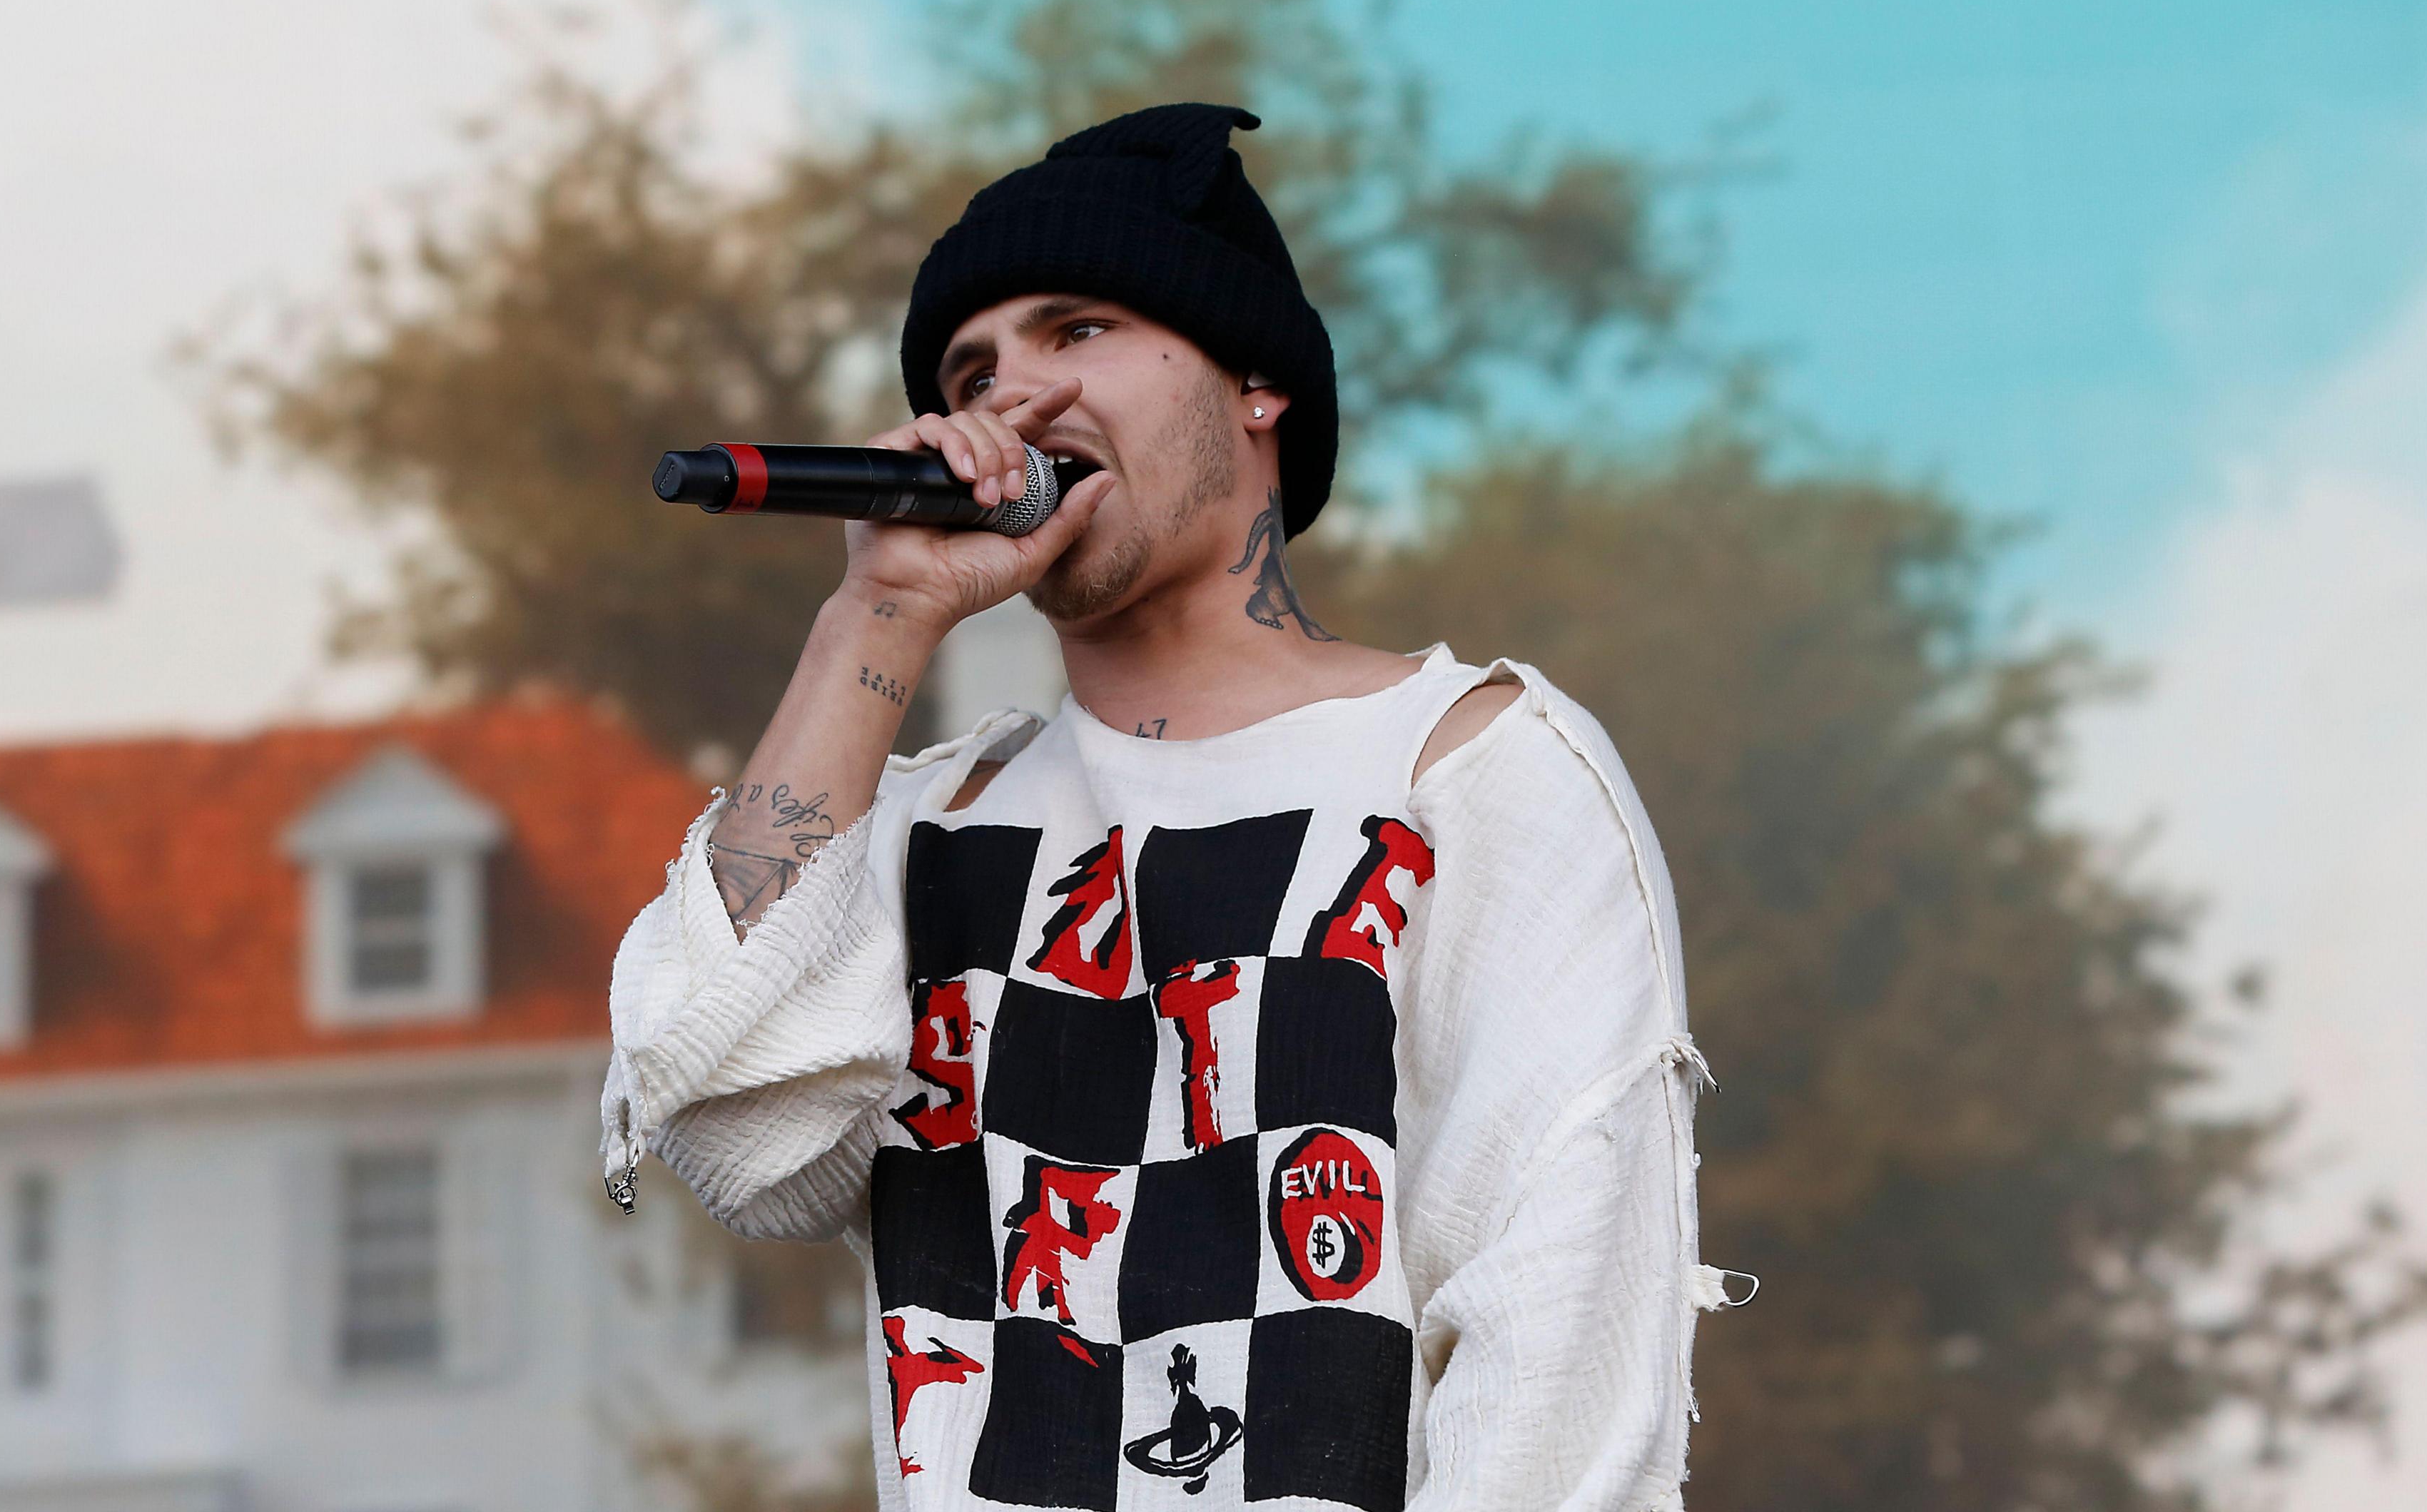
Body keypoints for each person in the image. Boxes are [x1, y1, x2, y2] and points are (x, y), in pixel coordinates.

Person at [601, 102, 1730, 1512]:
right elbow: (734, 1136)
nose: (1009, 394)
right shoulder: (932, 827)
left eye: (1076, 331)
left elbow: (1558, 1353)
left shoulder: (1468, 770)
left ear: (1258, 382)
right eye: (971, 368)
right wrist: (876, 616)